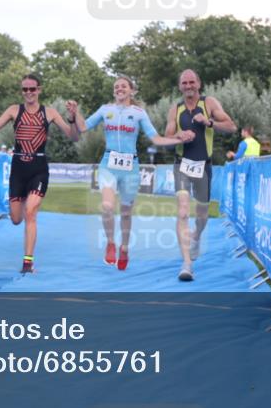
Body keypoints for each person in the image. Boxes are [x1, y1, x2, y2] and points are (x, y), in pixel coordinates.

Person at [71, 76, 194, 271]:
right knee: (107, 206)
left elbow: (156, 139)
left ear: (131, 90)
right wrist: (75, 113)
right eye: (116, 87)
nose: (119, 89)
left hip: (130, 168)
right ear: (114, 92)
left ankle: (125, 248)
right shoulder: (105, 110)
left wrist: (179, 140)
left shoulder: (139, 113)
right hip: (108, 165)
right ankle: (111, 243)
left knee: (126, 213)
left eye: (123, 86)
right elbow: (83, 127)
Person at [0, 74, 79, 274]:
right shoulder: (14, 110)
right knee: (15, 218)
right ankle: (27, 256)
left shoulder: (50, 112)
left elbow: (73, 137)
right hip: (18, 168)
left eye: (32, 89)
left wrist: (72, 118)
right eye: (25, 89)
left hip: (38, 167)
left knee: (30, 212)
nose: (28, 93)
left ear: (39, 90)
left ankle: (27, 262)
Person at [164, 69, 237, 281]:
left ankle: (196, 236)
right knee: (184, 212)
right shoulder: (174, 110)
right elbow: (167, 138)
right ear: (180, 86)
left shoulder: (209, 103)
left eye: (191, 82)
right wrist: (178, 136)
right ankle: (186, 264)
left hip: (203, 166)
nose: (188, 86)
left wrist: (209, 122)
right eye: (184, 83)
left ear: (199, 83)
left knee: (202, 216)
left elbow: (231, 127)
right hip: (182, 165)